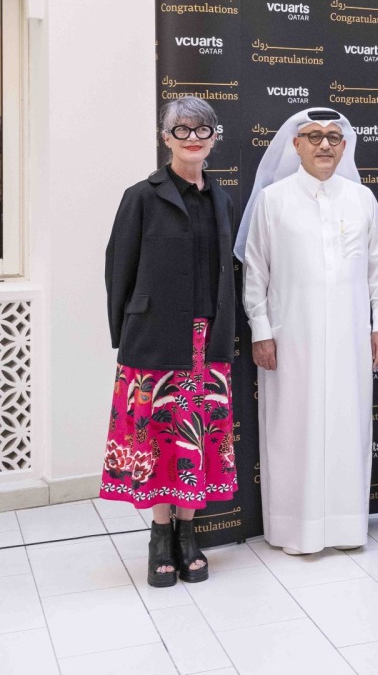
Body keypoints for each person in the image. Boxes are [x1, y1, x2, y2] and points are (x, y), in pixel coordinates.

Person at [238, 107, 378, 555]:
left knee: (348, 424)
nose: (325, 144)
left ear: (345, 146)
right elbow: (256, 272)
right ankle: (292, 529)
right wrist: (261, 330)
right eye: (314, 136)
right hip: (292, 338)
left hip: (350, 337)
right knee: (292, 429)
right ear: (296, 144)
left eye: (333, 137)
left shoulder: (361, 199)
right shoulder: (273, 199)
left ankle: (346, 528)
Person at [104, 96, 237, 587]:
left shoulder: (221, 198)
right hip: (156, 340)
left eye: (203, 129)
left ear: (214, 137)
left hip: (207, 340)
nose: (194, 138)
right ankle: (160, 535)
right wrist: (124, 335)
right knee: (160, 441)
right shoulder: (142, 195)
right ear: (166, 139)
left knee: (195, 442)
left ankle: (188, 533)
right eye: (182, 130)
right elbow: (119, 266)